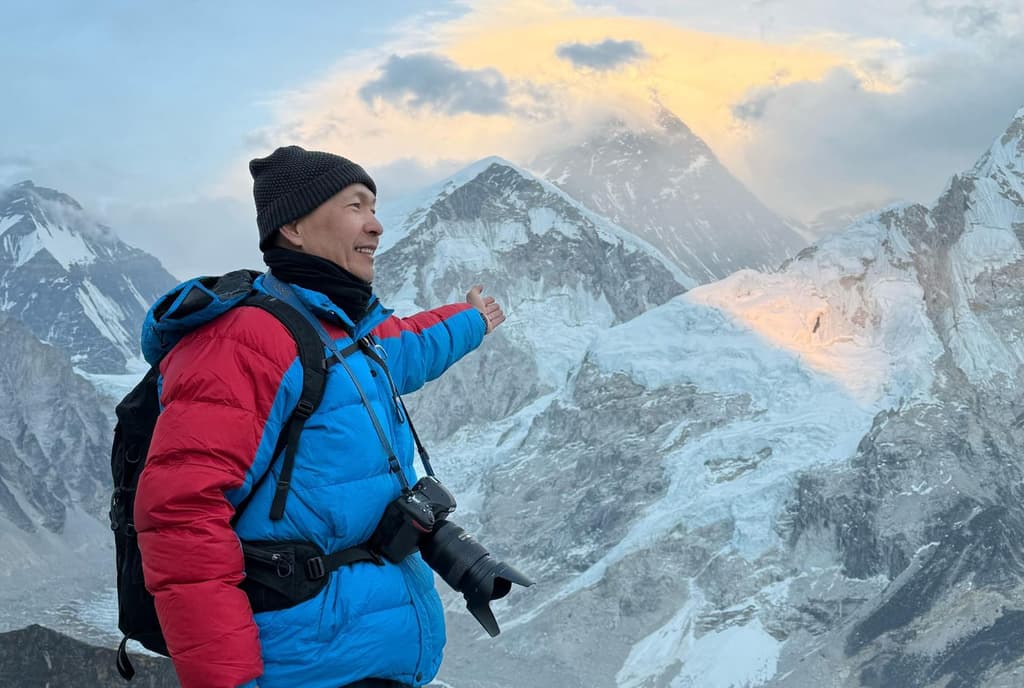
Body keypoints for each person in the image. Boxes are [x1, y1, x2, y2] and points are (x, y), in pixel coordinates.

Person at [134, 145, 504, 688]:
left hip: (368, 660)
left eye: (374, 208)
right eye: (356, 206)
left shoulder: (340, 332)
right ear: (294, 229)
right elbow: (181, 519)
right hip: (307, 667)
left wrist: (472, 319)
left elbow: (410, 346)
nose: (376, 226)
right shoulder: (240, 343)